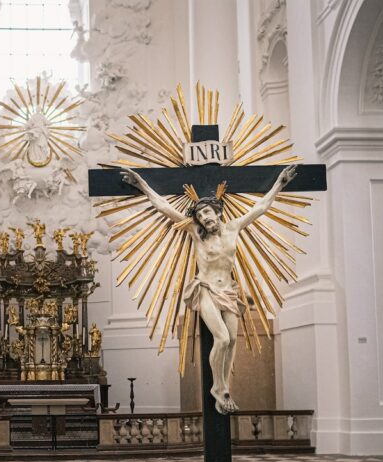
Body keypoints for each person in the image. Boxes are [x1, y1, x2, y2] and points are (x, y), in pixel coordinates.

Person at [120, 164, 297, 413]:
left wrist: (280, 182)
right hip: (206, 289)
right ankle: (218, 388)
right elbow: (165, 208)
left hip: (229, 292)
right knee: (222, 338)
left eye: (207, 212)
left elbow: (260, 208)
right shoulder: (195, 232)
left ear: (217, 210)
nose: (204, 218)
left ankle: (225, 387)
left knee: (233, 340)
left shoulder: (233, 228)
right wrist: (142, 185)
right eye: (200, 215)